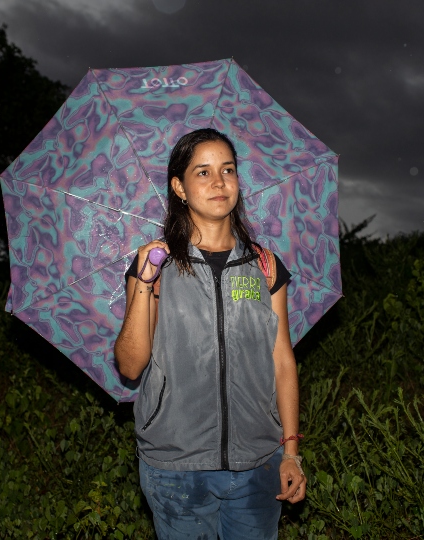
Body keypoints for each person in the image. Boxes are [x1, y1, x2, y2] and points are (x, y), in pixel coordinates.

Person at [114, 128, 305, 539]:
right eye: (202, 172)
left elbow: (283, 360)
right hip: (176, 469)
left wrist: (291, 452)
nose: (219, 182)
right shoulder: (156, 265)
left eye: (228, 169)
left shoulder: (266, 266)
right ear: (179, 187)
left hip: (258, 464)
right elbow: (130, 366)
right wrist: (145, 282)